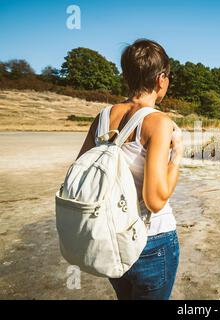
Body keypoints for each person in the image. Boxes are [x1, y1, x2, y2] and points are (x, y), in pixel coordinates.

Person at [76, 39, 183, 300]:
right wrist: (177, 153)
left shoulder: (102, 116)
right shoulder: (157, 122)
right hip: (152, 241)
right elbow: (155, 201)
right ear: (161, 79)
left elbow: (81, 175)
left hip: (111, 239)